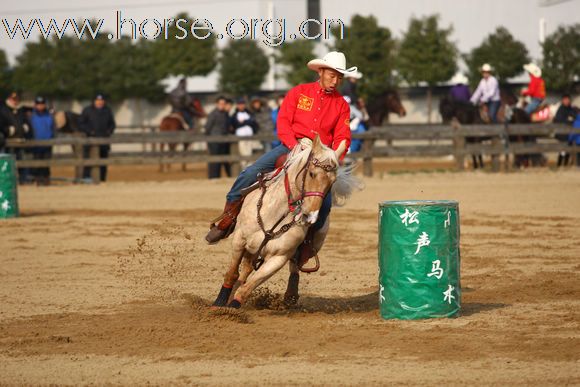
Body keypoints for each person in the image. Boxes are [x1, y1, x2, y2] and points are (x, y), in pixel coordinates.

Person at [205, 51, 355, 266]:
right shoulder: (299, 93)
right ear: (320, 72)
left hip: (319, 158)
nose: (336, 80)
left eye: (339, 77)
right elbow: (283, 123)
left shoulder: (341, 104)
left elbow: (343, 136)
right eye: (332, 75)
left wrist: (335, 156)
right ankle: (227, 219)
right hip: (291, 147)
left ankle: (305, 245)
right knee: (248, 173)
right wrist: (295, 146)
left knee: (325, 204)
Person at [80, 93, 116, 182]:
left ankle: (102, 179)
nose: (99, 102)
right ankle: (87, 179)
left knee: (103, 162)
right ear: (94, 101)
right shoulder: (87, 110)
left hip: (104, 141)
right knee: (88, 161)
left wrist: (109, 131)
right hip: (90, 141)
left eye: (101, 100)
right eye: (98, 100)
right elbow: (81, 123)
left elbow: (112, 124)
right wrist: (90, 132)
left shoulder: (107, 110)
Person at [0, 92, 32, 183]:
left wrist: (25, 128)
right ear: (9, 99)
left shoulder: (20, 110)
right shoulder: (3, 110)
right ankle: (7, 181)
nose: (15, 101)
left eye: (16, 99)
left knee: (22, 161)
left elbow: (26, 122)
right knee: (8, 163)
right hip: (8, 142)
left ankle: (24, 180)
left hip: (20, 141)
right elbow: (1, 125)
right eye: (13, 99)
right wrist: (8, 130)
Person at [28, 96, 54, 185]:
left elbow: (53, 128)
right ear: (35, 105)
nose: (40, 106)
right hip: (36, 144)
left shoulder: (49, 116)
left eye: (42, 104)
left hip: (47, 143)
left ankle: (46, 179)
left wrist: (52, 137)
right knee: (37, 161)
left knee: (46, 162)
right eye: (38, 104)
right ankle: (38, 180)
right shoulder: (31, 116)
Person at [205, 96, 231, 179]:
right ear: (217, 104)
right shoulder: (213, 114)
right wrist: (209, 139)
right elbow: (207, 127)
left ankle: (219, 177)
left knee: (222, 160)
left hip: (223, 141)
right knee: (214, 160)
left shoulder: (225, 114)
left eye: (224, 104)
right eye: (220, 104)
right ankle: (213, 177)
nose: (222, 105)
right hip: (214, 141)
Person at [230, 97, 258, 169]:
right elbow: (235, 124)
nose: (241, 106)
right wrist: (246, 122)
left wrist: (244, 122)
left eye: (242, 104)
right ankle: (244, 168)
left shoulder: (249, 113)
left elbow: (253, 122)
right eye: (240, 104)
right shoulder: (235, 114)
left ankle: (249, 168)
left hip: (249, 136)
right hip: (240, 136)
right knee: (243, 153)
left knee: (249, 152)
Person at [553, 94, 578, 167]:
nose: (567, 101)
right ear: (562, 100)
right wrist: (570, 122)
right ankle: (559, 164)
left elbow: (575, 117)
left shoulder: (571, 109)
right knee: (563, 150)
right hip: (562, 134)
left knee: (568, 150)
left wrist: (572, 121)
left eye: (568, 99)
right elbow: (560, 120)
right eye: (565, 99)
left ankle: (565, 164)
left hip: (570, 134)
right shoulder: (561, 110)